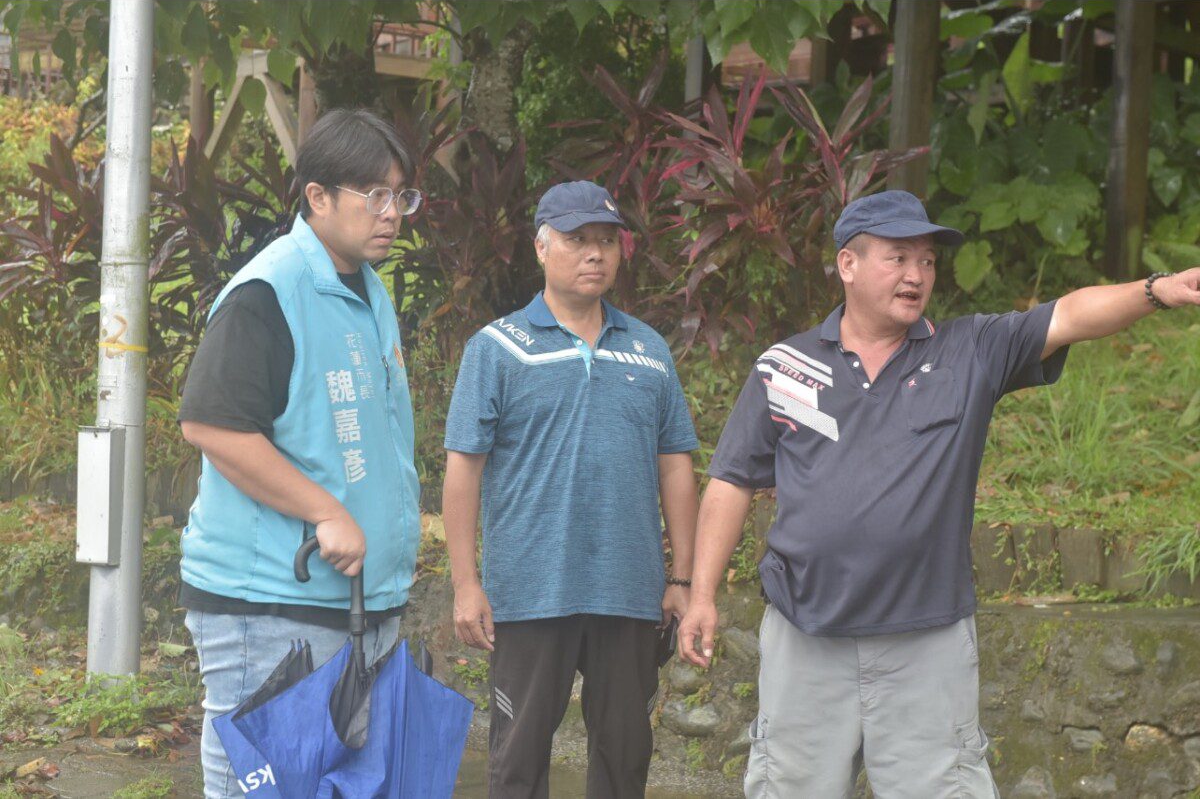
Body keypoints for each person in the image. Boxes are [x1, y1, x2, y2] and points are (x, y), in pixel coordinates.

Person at [677, 189, 1200, 798]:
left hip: (924, 646)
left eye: (926, 261)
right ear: (848, 264)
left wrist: (1155, 290)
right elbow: (732, 481)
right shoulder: (785, 368)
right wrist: (704, 595)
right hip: (805, 639)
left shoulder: (970, 350)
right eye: (898, 258)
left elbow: (1071, 314)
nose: (916, 275)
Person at [177, 108, 423, 799]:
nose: (392, 212)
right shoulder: (268, 291)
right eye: (373, 194)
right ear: (317, 197)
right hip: (271, 608)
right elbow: (212, 426)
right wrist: (325, 510)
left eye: (400, 195)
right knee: (267, 788)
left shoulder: (366, 291)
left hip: (353, 603)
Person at [442, 181, 700, 799]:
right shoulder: (497, 348)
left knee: (624, 761)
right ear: (541, 246)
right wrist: (465, 582)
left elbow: (675, 466)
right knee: (518, 762)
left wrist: (683, 579)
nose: (595, 254)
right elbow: (463, 470)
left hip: (629, 591)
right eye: (578, 240)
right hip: (530, 591)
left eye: (607, 241)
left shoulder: (648, 350)